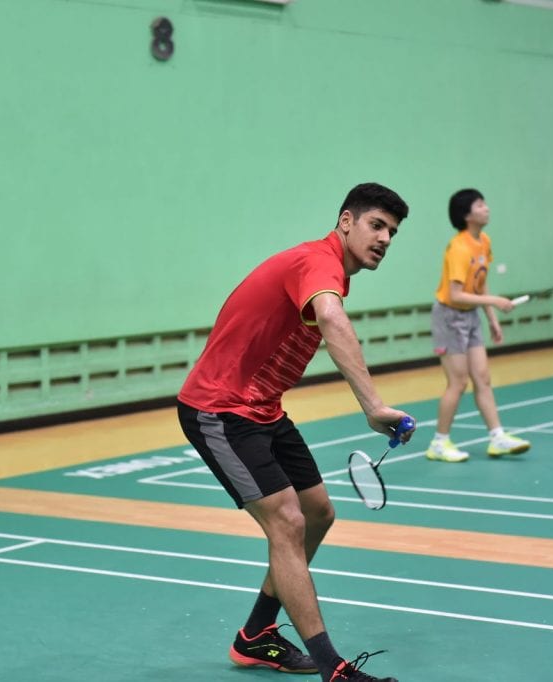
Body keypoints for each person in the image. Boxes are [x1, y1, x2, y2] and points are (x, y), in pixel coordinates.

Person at [177, 182, 414, 682]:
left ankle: (256, 635)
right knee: (286, 522)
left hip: (262, 410)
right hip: (219, 409)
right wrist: (373, 406)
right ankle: (334, 669)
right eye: (376, 225)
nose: (384, 239)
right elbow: (330, 318)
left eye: (392, 233)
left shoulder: (329, 271)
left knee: (318, 512)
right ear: (346, 221)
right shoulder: (317, 262)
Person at [425, 188, 530, 463]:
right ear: (467, 215)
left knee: (482, 378)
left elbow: (480, 283)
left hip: (471, 316)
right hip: (449, 316)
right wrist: (495, 301)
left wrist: (492, 319)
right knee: (458, 382)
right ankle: (439, 443)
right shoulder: (459, 248)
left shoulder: (483, 241)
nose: (487, 208)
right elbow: (455, 294)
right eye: (480, 205)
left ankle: (497, 438)